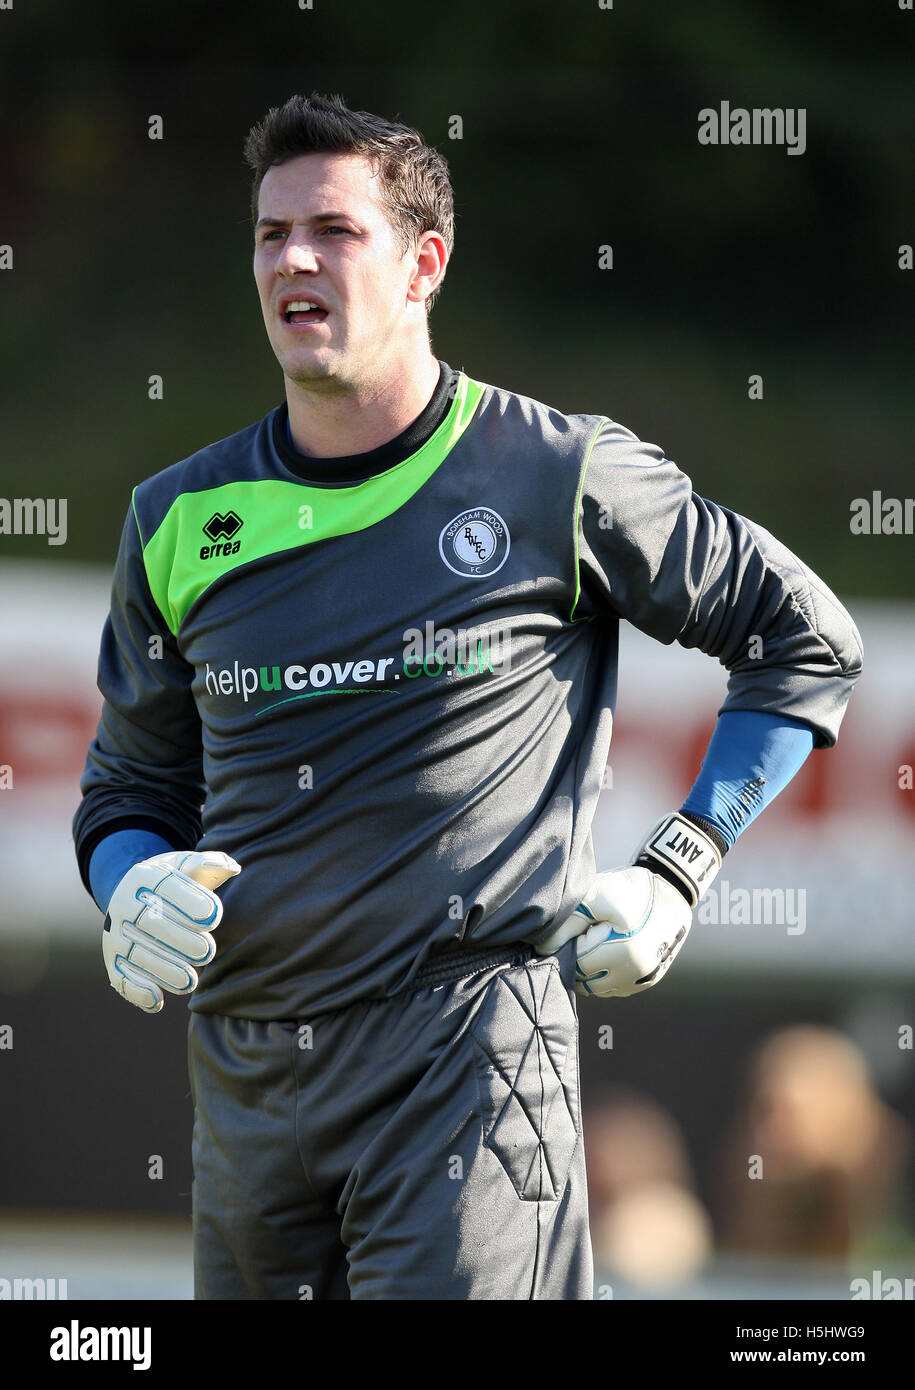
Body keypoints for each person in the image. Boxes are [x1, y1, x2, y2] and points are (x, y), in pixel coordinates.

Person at [72, 91, 863, 1301]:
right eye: (270, 232)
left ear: (423, 263)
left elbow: (805, 639)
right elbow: (128, 788)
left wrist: (679, 866)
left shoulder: (557, 473)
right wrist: (128, 883)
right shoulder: (176, 518)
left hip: (466, 1065)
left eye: (333, 230)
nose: (292, 257)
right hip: (242, 1083)